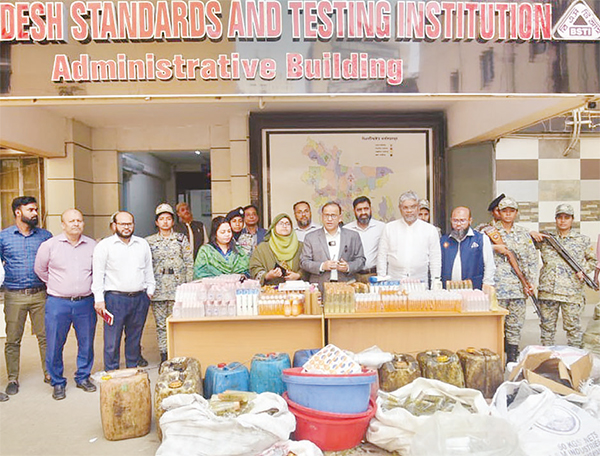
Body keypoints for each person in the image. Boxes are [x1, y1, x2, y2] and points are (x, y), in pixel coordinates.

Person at [34, 209, 96, 400]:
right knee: (54, 343)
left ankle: (83, 377)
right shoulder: (49, 246)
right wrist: (58, 285)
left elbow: (96, 271)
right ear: (63, 224)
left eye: (79, 220)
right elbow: (40, 270)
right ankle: (57, 382)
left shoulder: (92, 245)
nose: (76, 224)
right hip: (58, 303)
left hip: (85, 302)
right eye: (71, 221)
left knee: (86, 342)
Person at [0, 196, 52, 396]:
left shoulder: (45, 236)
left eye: (36, 209)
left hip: (41, 294)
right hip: (14, 295)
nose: (35, 213)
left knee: (45, 337)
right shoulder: (4, 237)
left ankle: (49, 373)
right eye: (31, 210)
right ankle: (12, 378)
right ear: (18, 212)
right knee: (13, 339)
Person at [91, 211, 155, 371]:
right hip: (115, 299)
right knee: (112, 341)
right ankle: (112, 373)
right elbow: (98, 275)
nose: (126, 227)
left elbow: (148, 269)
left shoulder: (142, 244)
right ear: (114, 226)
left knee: (134, 339)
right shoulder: (104, 246)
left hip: (140, 298)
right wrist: (99, 299)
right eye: (122, 224)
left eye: (129, 224)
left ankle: (132, 372)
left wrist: (150, 291)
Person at [536, 204, 596, 348]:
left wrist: (584, 271)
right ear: (556, 219)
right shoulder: (546, 239)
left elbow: (593, 260)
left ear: (572, 219)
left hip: (572, 292)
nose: (563, 221)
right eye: (560, 217)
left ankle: (575, 357)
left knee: (573, 328)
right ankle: (547, 356)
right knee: (547, 328)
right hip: (548, 291)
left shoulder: (582, 240)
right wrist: (532, 234)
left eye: (566, 217)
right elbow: (524, 244)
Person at [491, 197, 538, 362]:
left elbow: (532, 259)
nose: (508, 214)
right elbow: (479, 252)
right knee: (496, 325)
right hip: (497, 287)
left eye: (511, 211)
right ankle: (495, 357)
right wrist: (493, 247)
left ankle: (511, 358)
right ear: (499, 212)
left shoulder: (524, 233)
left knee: (515, 325)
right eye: (505, 211)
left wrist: (530, 282)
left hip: (518, 287)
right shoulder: (489, 232)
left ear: (516, 213)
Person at [146, 204, 193, 364]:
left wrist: (187, 286)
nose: (165, 222)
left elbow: (189, 263)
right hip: (158, 289)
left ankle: (178, 354)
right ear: (156, 222)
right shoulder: (149, 241)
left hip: (178, 288)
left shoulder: (181, 239)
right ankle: (164, 356)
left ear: (173, 221)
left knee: (178, 323)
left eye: (168, 218)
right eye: (161, 219)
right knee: (161, 325)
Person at [377, 191, 441, 286]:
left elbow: (435, 258)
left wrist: (435, 281)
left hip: (420, 282)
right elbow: (382, 256)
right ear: (400, 209)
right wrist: (381, 279)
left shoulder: (430, 230)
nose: (409, 211)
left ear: (418, 208)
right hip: (394, 281)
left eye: (412, 207)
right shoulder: (389, 228)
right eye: (405, 208)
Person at [300, 201, 365, 290]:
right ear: (322, 217)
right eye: (326, 215)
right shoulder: (311, 237)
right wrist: (322, 266)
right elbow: (304, 262)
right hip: (320, 286)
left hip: (346, 286)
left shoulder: (352, 236)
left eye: (333, 215)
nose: (329, 219)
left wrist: (348, 267)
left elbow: (361, 260)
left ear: (340, 217)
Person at [440, 206, 495, 289]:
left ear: (470, 221)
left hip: (474, 290)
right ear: (451, 220)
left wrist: (487, 284)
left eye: (462, 220)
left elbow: (489, 265)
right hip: (448, 290)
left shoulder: (481, 239)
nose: (458, 224)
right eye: (455, 221)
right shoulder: (443, 240)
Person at [249, 213, 305, 285]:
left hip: (296, 289)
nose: (284, 226)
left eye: (287, 224)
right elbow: (254, 268)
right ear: (274, 227)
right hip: (270, 290)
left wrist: (298, 275)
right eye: (281, 223)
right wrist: (267, 275)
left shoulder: (301, 246)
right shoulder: (262, 248)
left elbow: (308, 266)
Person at [345, 196, 385, 283]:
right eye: (359, 210)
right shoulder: (346, 229)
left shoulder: (382, 227)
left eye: (366, 209)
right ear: (354, 211)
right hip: (353, 277)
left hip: (374, 275)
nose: (363, 213)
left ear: (371, 209)